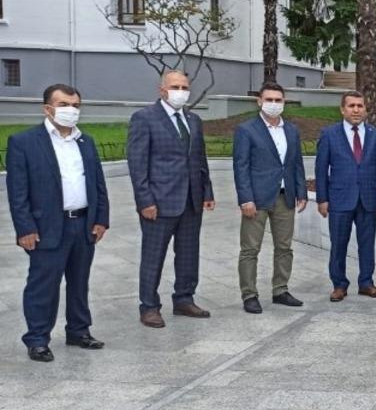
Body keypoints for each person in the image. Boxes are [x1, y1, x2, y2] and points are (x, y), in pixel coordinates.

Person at [5, 85, 109, 362]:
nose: (71, 110)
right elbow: (18, 192)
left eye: (75, 105)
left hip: (83, 223)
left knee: (79, 281)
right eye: (64, 104)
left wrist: (101, 219)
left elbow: (98, 184)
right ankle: (38, 338)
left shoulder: (85, 142)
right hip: (47, 227)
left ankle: (79, 330)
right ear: (47, 109)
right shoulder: (24, 142)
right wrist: (25, 228)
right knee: (43, 284)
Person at [127, 70, 215, 328]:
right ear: (162, 90)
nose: (181, 91)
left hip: (191, 200)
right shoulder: (144, 118)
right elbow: (137, 164)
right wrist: (145, 201)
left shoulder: (193, 119)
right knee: (153, 256)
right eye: (175, 86)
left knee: (188, 254)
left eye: (184, 87)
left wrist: (206, 192)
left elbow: (200, 159)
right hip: (159, 202)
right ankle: (149, 306)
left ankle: (184, 298)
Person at [232, 83, 308, 315]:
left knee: (284, 247)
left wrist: (302, 192)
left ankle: (280, 290)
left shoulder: (292, 130)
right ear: (259, 101)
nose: (274, 104)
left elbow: (296, 163)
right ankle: (249, 294)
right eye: (270, 99)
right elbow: (241, 166)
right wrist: (245, 199)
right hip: (256, 198)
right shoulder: (246, 130)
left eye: (278, 100)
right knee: (250, 249)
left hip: (285, 197)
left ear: (284, 102)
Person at [315, 91, 376, 302]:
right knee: (338, 243)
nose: (356, 110)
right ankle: (339, 284)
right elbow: (321, 169)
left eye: (360, 106)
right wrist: (322, 199)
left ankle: (366, 282)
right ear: (342, 109)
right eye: (351, 106)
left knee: (367, 243)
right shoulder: (329, 134)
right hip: (339, 199)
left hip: (368, 198)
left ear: (366, 110)